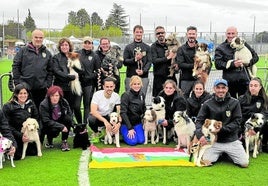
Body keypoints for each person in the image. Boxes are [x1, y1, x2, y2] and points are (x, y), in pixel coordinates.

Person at [195, 79, 249, 167]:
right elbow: (199, 121)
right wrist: (200, 135)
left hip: (231, 140)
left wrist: (221, 129)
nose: (221, 90)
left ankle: (227, 153)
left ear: (227, 89)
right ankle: (221, 154)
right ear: (214, 89)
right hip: (213, 141)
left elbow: (237, 122)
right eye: (218, 88)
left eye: (223, 88)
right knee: (206, 161)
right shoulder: (207, 104)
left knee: (244, 163)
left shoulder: (235, 103)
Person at [12, 29, 53, 109]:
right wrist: (17, 83)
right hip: (25, 88)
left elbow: (50, 71)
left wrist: (47, 84)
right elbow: (16, 66)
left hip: (41, 89)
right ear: (32, 38)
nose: (38, 39)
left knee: (40, 111)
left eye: (40, 38)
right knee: (25, 111)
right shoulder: (23, 51)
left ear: (43, 39)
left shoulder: (47, 53)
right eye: (36, 37)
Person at [214, 26, 259, 98]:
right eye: (229, 33)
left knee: (245, 105)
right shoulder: (220, 48)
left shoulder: (244, 45)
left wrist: (247, 63)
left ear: (237, 34)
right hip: (229, 83)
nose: (230, 36)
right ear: (226, 34)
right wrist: (233, 64)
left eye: (233, 33)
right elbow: (217, 64)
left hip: (244, 82)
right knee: (231, 106)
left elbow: (256, 57)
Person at [2, 83, 39, 160]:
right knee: (17, 156)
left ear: (28, 94)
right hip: (14, 135)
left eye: (25, 93)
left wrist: (35, 133)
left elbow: (36, 119)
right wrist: (20, 136)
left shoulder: (31, 104)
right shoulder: (8, 106)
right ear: (16, 94)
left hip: (28, 135)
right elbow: (6, 125)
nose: (23, 95)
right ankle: (7, 149)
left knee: (33, 152)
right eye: (20, 93)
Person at [52, 38, 82, 123]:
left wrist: (77, 72)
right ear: (59, 47)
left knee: (74, 107)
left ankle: (80, 126)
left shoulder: (74, 56)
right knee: (64, 107)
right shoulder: (56, 57)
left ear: (69, 46)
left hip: (74, 87)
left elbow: (80, 70)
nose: (64, 47)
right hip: (62, 87)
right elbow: (57, 71)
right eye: (62, 45)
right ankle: (66, 126)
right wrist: (69, 77)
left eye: (66, 45)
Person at [238, 77, 268, 152]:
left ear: (260, 87)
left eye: (255, 86)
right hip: (243, 127)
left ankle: (263, 144)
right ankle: (241, 140)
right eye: (251, 85)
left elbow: (265, 115)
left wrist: (255, 128)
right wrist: (247, 127)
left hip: (257, 127)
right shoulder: (241, 99)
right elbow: (238, 116)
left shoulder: (264, 100)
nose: (253, 88)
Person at [39, 86, 73, 151]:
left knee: (67, 119)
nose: (55, 98)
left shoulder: (64, 102)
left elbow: (70, 115)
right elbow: (46, 121)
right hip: (48, 125)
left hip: (59, 120)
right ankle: (49, 140)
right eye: (52, 96)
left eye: (57, 95)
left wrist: (75, 126)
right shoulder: (43, 105)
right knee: (53, 130)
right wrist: (61, 126)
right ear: (49, 96)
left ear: (60, 96)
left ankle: (64, 141)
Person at [88, 77, 121, 143]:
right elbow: (93, 111)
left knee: (115, 118)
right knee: (91, 119)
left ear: (114, 86)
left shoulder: (116, 96)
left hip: (109, 116)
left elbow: (119, 112)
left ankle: (112, 134)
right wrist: (105, 121)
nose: (109, 88)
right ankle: (96, 133)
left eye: (111, 86)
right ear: (103, 87)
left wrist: (118, 123)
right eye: (107, 86)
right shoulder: (97, 94)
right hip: (98, 116)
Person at [123, 25, 152, 96]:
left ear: (142, 33)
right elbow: (125, 62)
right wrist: (135, 59)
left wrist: (143, 71)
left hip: (143, 77)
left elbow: (149, 61)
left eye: (140, 32)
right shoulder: (128, 47)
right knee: (129, 97)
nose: (139, 34)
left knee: (142, 97)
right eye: (137, 32)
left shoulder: (147, 47)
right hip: (130, 76)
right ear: (133, 33)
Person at [77, 36, 100, 123]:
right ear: (82, 44)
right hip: (77, 84)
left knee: (87, 105)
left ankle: (84, 125)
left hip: (89, 84)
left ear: (92, 45)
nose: (87, 45)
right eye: (85, 43)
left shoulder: (95, 56)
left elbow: (98, 71)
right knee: (76, 106)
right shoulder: (77, 54)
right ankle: (79, 123)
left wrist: (89, 76)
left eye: (89, 43)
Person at [151, 26, 177, 97]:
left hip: (171, 77)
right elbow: (154, 61)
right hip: (159, 78)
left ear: (165, 33)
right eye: (158, 33)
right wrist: (168, 57)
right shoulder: (153, 47)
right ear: (156, 35)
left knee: (173, 98)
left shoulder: (171, 44)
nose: (160, 34)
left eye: (162, 33)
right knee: (159, 100)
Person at [120, 75, 146, 146]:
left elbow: (144, 108)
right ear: (131, 85)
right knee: (133, 142)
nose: (137, 86)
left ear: (141, 85)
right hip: (127, 123)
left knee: (141, 140)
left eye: (138, 84)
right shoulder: (125, 95)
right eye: (134, 84)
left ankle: (137, 131)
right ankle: (122, 132)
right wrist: (130, 128)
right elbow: (123, 112)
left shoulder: (142, 94)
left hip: (137, 122)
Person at [176, 26, 198, 98]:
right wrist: (195, 65)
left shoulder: (201, 48)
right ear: (187, 35)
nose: (191, 36)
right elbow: (180, 64)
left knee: (198, 99)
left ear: (196, 35)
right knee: (183, 99)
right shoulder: (181, 49)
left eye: (193, 34)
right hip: (185, 79)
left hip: (198, 79)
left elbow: (207, 63)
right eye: (190, 34)